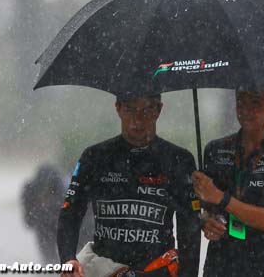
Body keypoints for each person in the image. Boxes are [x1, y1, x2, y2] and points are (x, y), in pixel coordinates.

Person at [57, 93, 201, 277]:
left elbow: (189, 228)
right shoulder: (95, 157)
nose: (138, 119)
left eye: (147, 110)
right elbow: (70, 212)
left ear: (158, 110)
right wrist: (68, 258)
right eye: (130, 109)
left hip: (157, 270)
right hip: (106, 270)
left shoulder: (179, 160)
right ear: (117, 108)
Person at [193, 82, 264, 277]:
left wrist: (222, 198)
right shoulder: (215, 149)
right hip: (221, 266)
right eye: (240, 103)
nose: (246, 111)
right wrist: (207, 221)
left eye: (255, 103)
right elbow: (205, 208)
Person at [21, 163, 93, 264]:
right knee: (49, 258)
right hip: (46, 224)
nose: (45, 197)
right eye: (42, 194)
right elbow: (29, 220)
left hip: (76, 224)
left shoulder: (68, 190)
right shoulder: (30, 191)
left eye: (49, 192)